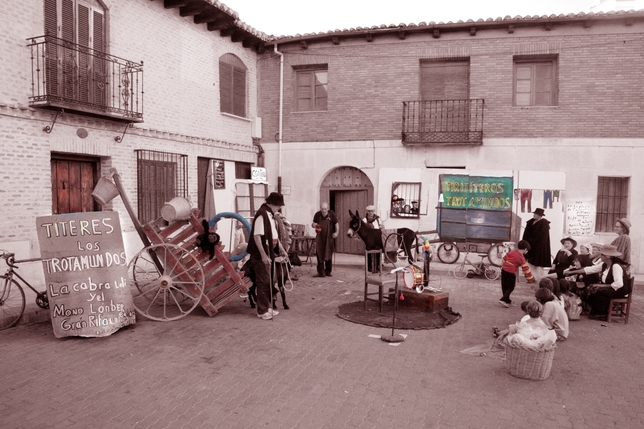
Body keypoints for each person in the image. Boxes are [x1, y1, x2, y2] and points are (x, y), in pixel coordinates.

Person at [246, 192, 289, 320]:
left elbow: (274, 236)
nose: (279, 208)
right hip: (261, 255)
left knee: (269, 280)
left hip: (269, 251)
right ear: (272, 204)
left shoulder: (270, 215)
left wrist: (282, 249)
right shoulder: (262, 214)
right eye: (278, 206)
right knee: (263, 280)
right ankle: (262, 310)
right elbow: (257, 236)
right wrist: (263, 255)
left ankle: (267, 307)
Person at [586, 244, 629, 320]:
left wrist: (602, 286)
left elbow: (619, 283)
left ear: (608, 256)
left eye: (602, 255)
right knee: (591, 290)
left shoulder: (616, 266)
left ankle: (603, 313)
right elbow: (591, 269)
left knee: (596, 292)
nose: (600, 256)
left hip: (619, 290)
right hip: (612, 288)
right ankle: (598, 311)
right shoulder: (605, 265)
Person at [499, 240, 535, 307]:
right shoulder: (521, 258)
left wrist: (503, 265)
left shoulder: (512, 252)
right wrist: (530, 279)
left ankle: (507, 300)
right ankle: (503, 300)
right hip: (510, 272)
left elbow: (504, 258)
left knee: (505, 286)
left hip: (504, 270)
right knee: (511, 287)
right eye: (527, 250)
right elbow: (526, 269)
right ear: (525, 249)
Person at [522, 208, 552, 280]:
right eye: (534, 213)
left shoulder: (543, 223)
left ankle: (539, 278)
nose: (534, 215)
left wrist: (537, 245)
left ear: (540, 215)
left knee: (538, 264)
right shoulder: (530, 222)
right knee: (530, 263)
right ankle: (532, 277)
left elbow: (543, 237)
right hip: (530, 245)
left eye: (536, 214)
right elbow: (526, 233)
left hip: (539, 247)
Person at [311, 202, 339, 277]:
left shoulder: (331, 214)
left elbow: (336, 224)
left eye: (325, 209)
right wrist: (315, 225)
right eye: (322, 209)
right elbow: (313, 224)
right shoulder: (317, 214)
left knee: (329, 254)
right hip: (320, 238)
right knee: (320, 254)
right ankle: (321, 272)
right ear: (320, 208)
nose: (324, 211)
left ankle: (328, 272)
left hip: (329, 237)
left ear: (328, 208)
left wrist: (336, 232)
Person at [363, 205, 384, 272]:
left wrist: (381, 226)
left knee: (378, 252)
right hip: (369, 238)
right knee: (369, 252)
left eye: (372, 211)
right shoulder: (365, 220)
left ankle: (378, 265)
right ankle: (369, 267)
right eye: (369, 211)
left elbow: (382, 227)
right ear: (367, 212)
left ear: (374, 211)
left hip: (377, 238)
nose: (370, 213)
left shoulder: (378, 219)